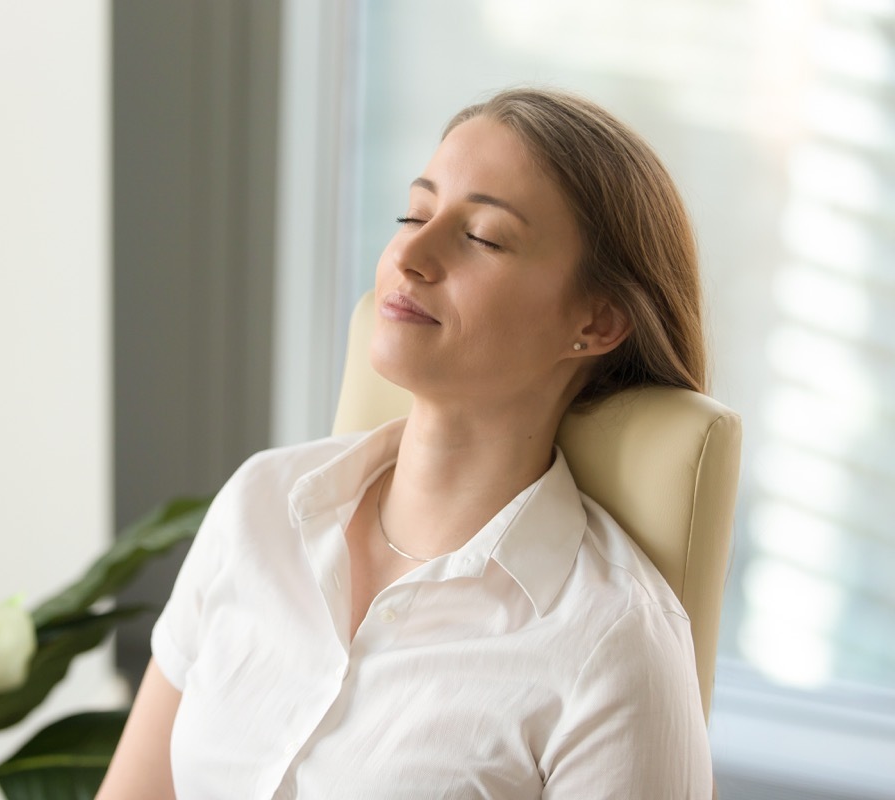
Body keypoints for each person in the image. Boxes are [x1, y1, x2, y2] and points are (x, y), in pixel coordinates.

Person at [97, 88, 713, 799]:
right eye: (414, 214)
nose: (410, 254)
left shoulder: (613, 646)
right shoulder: (261, 506)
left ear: (598, 321)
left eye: (481, 236)